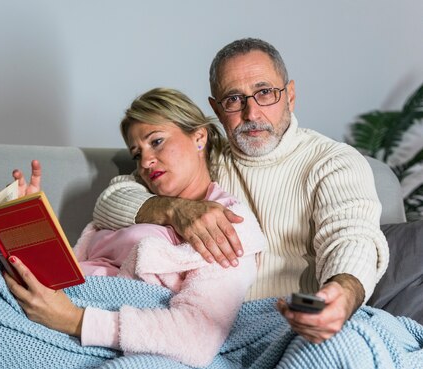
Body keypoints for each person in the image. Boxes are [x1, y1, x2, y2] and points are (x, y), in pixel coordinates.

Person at [91, 38, 390, 344]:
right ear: (216, 109)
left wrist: (342, 292)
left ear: (290, 95)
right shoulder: (205, 158)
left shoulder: (331, 162)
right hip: (213, 329)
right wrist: (174, 210)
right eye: (234, 99)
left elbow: (352, 238)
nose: (252, 113)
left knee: (356, 342)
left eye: (265, 93)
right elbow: (112, 199)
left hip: (297, 325)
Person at [5, 88, 266, 367]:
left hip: (79, 325)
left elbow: (196, 335)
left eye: (157, 141)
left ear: (199, 137)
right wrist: (26, 229)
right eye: (136, 153)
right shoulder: (135, 195)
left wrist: (74, 319)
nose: (145, 161)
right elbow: (77, 260)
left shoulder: (228, 222)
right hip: (51, 298)